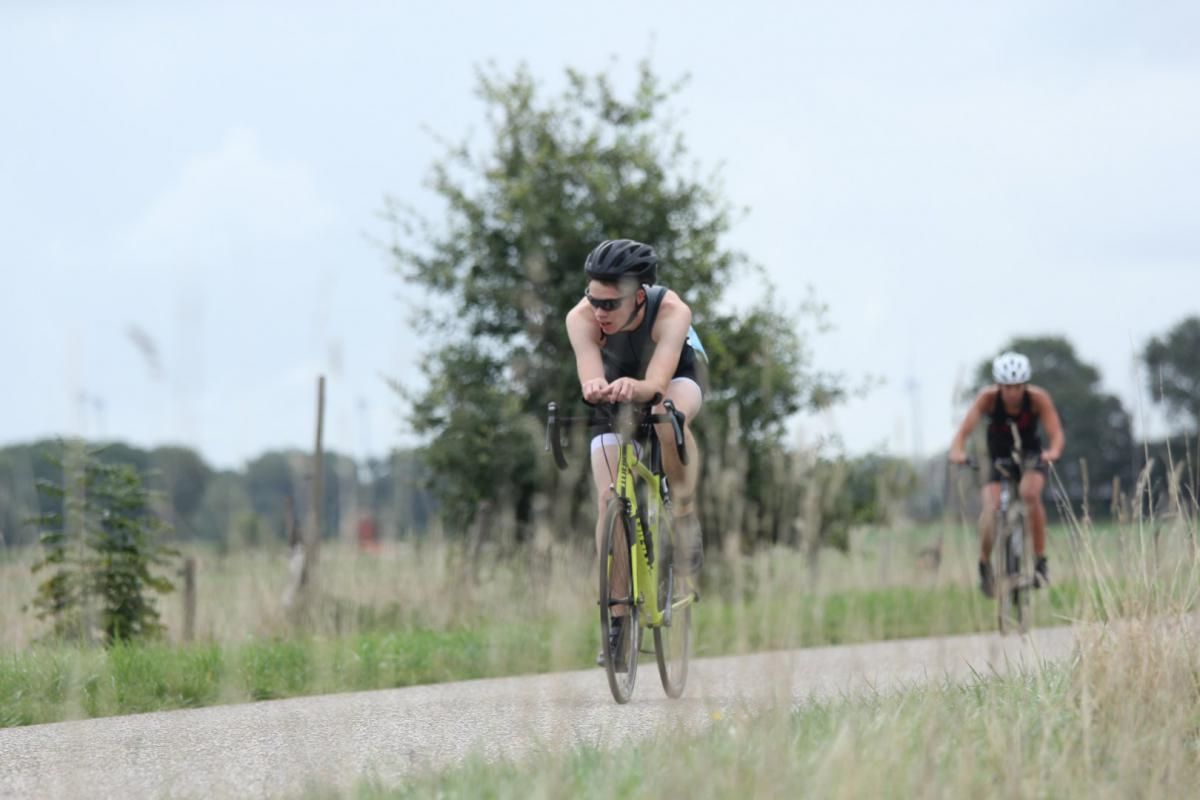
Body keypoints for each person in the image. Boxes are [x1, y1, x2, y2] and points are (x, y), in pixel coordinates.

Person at [564, 238, 706, 665]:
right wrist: (594, 387)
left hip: (675, 374)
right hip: (616, 384)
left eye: (611, 304)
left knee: (667, 416)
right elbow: (591, 375)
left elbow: (657, 382)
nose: (600, 312)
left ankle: (682, 514)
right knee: (610, 499)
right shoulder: (581, 318)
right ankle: (618, 617)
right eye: (594, 300)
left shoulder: (672, 312)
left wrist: (641, 388)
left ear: (638, 296)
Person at [948, 351, 1065, 597]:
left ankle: (1041, 560)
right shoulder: (987, 399)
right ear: (999, 386)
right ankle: (984, 564)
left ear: (1025, 385)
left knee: (1030, 494)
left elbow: (1055, 433)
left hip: (1031, 456)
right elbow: (963, 432)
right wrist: (958, 452)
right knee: (991, 508)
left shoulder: (1037, 399)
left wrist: (1053, 452)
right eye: (1007, 387)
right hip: (997, 457)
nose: (1013, 393)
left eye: (1018, 387)